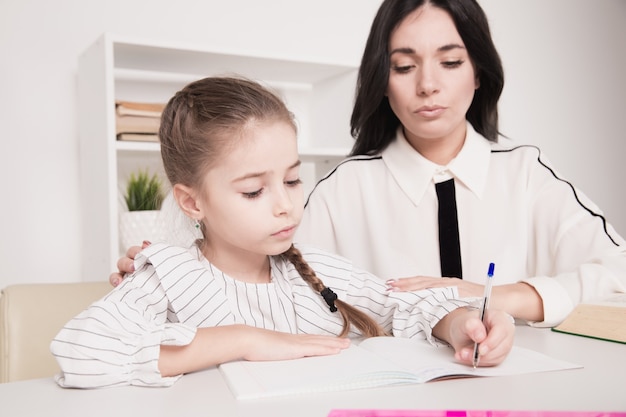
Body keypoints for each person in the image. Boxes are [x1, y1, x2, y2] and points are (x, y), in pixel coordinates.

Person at [111, 0, 626, 328]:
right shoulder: (343, 189)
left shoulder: (527, 174)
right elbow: (259, 264)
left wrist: (495, 297)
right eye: (404, 66)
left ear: (479, 74)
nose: (428, 85)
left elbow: (618, 274)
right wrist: (170, 266)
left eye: (450, 62)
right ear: (382, 79)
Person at [51, 76, 514, 389]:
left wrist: (459, 326)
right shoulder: (169, 275)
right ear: (193, 202)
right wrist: (243, 340)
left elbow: (402, 303)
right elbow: (80, 350)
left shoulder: (312, 270)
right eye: (254, 191)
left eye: (292, 179)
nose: (285, 204)